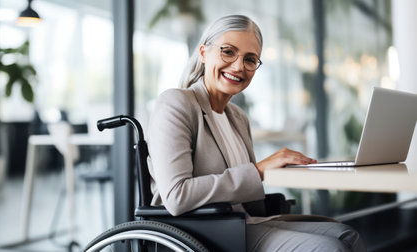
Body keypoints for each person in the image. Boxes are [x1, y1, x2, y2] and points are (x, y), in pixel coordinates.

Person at [147, 14, 366, 251]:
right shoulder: (176, 103)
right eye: (228, 52)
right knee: (328, 247)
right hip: (206, 231)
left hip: (246, 221)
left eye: (250, 59)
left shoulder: (238, 117)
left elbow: (248, 189)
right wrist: (259, 170)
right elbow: (177, 196)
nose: (239, 66)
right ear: (203, 53)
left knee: (347, 236)